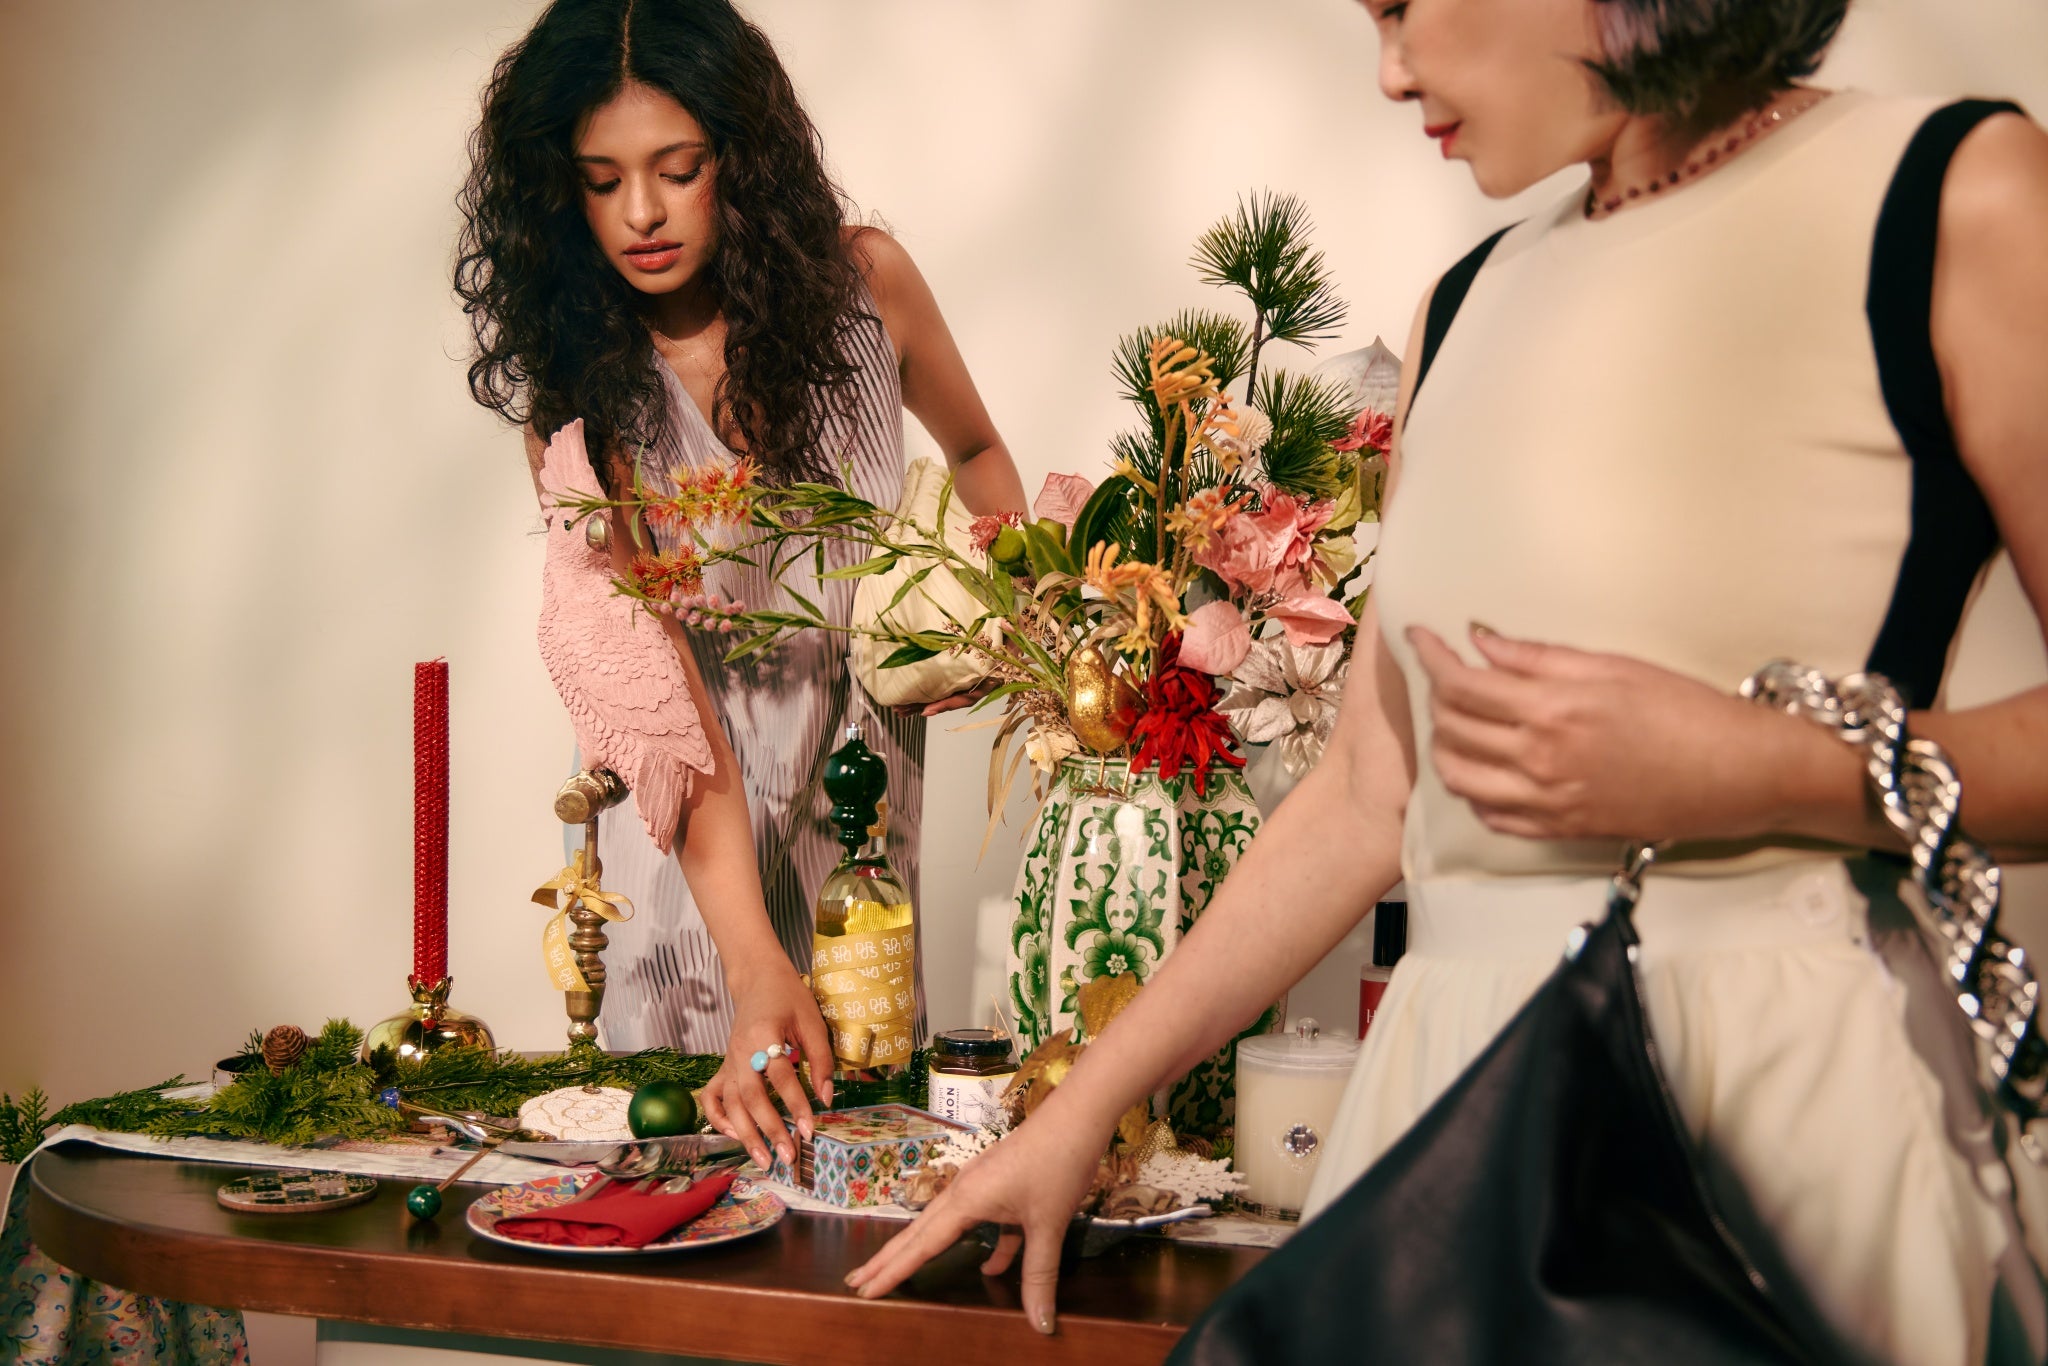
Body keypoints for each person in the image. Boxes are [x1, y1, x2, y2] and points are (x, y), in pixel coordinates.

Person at [847, 1, 2048, 1359]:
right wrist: (1079, 1111)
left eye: (1403, 7)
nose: (1389, 71)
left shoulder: (1951, 195)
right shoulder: (1468, 301)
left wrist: (1768, 770)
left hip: (1785, 1124)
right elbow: (1369, 796)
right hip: (1445, 1117)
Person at [455, 0, 1027, 1171]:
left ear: (742, 156)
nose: (641, 213)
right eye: (602, 181)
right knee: (686, 1171)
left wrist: (989, 612)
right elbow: (656, 682)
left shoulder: (868, 289)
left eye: (678, 169)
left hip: (858, 832)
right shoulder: (576, 394)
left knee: (865, 1159)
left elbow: (975, 453)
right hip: (688, 857)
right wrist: (754, 958)